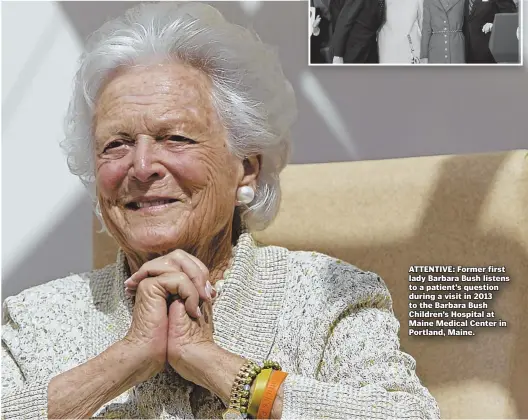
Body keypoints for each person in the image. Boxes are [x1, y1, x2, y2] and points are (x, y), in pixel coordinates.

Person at [1, 2, 440, 419]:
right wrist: (125, 360)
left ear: (246, 170)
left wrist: (216, 365)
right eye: (116, 144)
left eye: (176, 138)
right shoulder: (35, 320)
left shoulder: (327, 301)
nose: (141, 166)